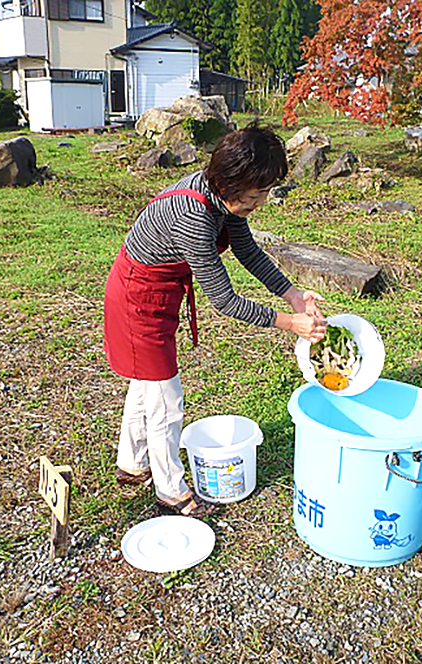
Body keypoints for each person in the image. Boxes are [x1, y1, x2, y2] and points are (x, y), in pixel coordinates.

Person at [104, 124, 327, 518]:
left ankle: (132, 462)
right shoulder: (194, 215)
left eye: (265, 193)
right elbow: (224, 300)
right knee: (165, 397)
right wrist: (289, 324)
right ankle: (169, 488)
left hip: (159, 290)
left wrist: (292, 293)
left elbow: (249, 251)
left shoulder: (225, 199)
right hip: (138, 295)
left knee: (148, 384)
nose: (260, 202)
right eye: (257, 195)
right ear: (229, 184)